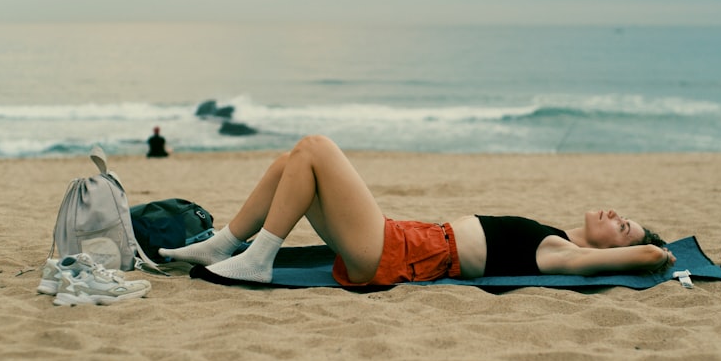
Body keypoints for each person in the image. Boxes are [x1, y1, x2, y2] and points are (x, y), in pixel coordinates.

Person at [159, 135, 673, 286]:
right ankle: (224, 243)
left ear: (616, 247)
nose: (612, 214)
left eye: (621, 225)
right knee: (290, 160)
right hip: (396, 239)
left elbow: (645, 256)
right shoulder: (554, 236)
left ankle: (258, 257)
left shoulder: (561, 255)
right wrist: (641, 242)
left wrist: (657, 254)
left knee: (315, 147)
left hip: (390, 253)